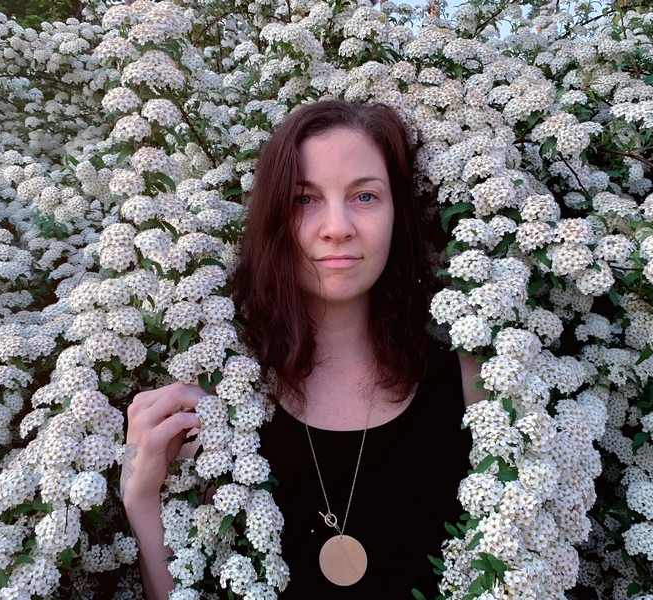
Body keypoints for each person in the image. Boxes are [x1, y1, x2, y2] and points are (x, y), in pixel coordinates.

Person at [121, 99, 485, 599]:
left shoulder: (471, 383)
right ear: (274, 219)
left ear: (398, 213)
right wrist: (143, 501)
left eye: (364, 197)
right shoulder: (224, 399)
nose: (337, 226)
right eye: (304, 200)